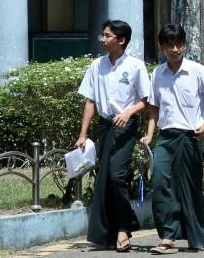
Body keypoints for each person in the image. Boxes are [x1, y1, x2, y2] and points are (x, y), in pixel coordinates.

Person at [143, 23, 204, 254]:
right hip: (166, 137)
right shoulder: (157, 73)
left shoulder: (197, 70)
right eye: (170, 46)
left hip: (192, 136)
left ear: (185, 45)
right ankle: (167, 237)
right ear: (162, 48)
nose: (175, 49)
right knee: (161, 183)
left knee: (190, 187)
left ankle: (196, 238)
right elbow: (154, 107)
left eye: (179, 45)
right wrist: (150, 134)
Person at [75, 19, 151, 253]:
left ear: (121, 40)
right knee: (105, 178)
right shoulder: (97, 66)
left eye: (107, 36)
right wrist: (83, 134)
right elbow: (90, 100)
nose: (103, 39)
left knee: (117, 176)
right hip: (105, 126)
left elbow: (146, 100)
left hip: (125, 127)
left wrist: (128, 113)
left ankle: (123, 228)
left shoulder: (136, 66)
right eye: (103, 35)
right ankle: (114, 230)